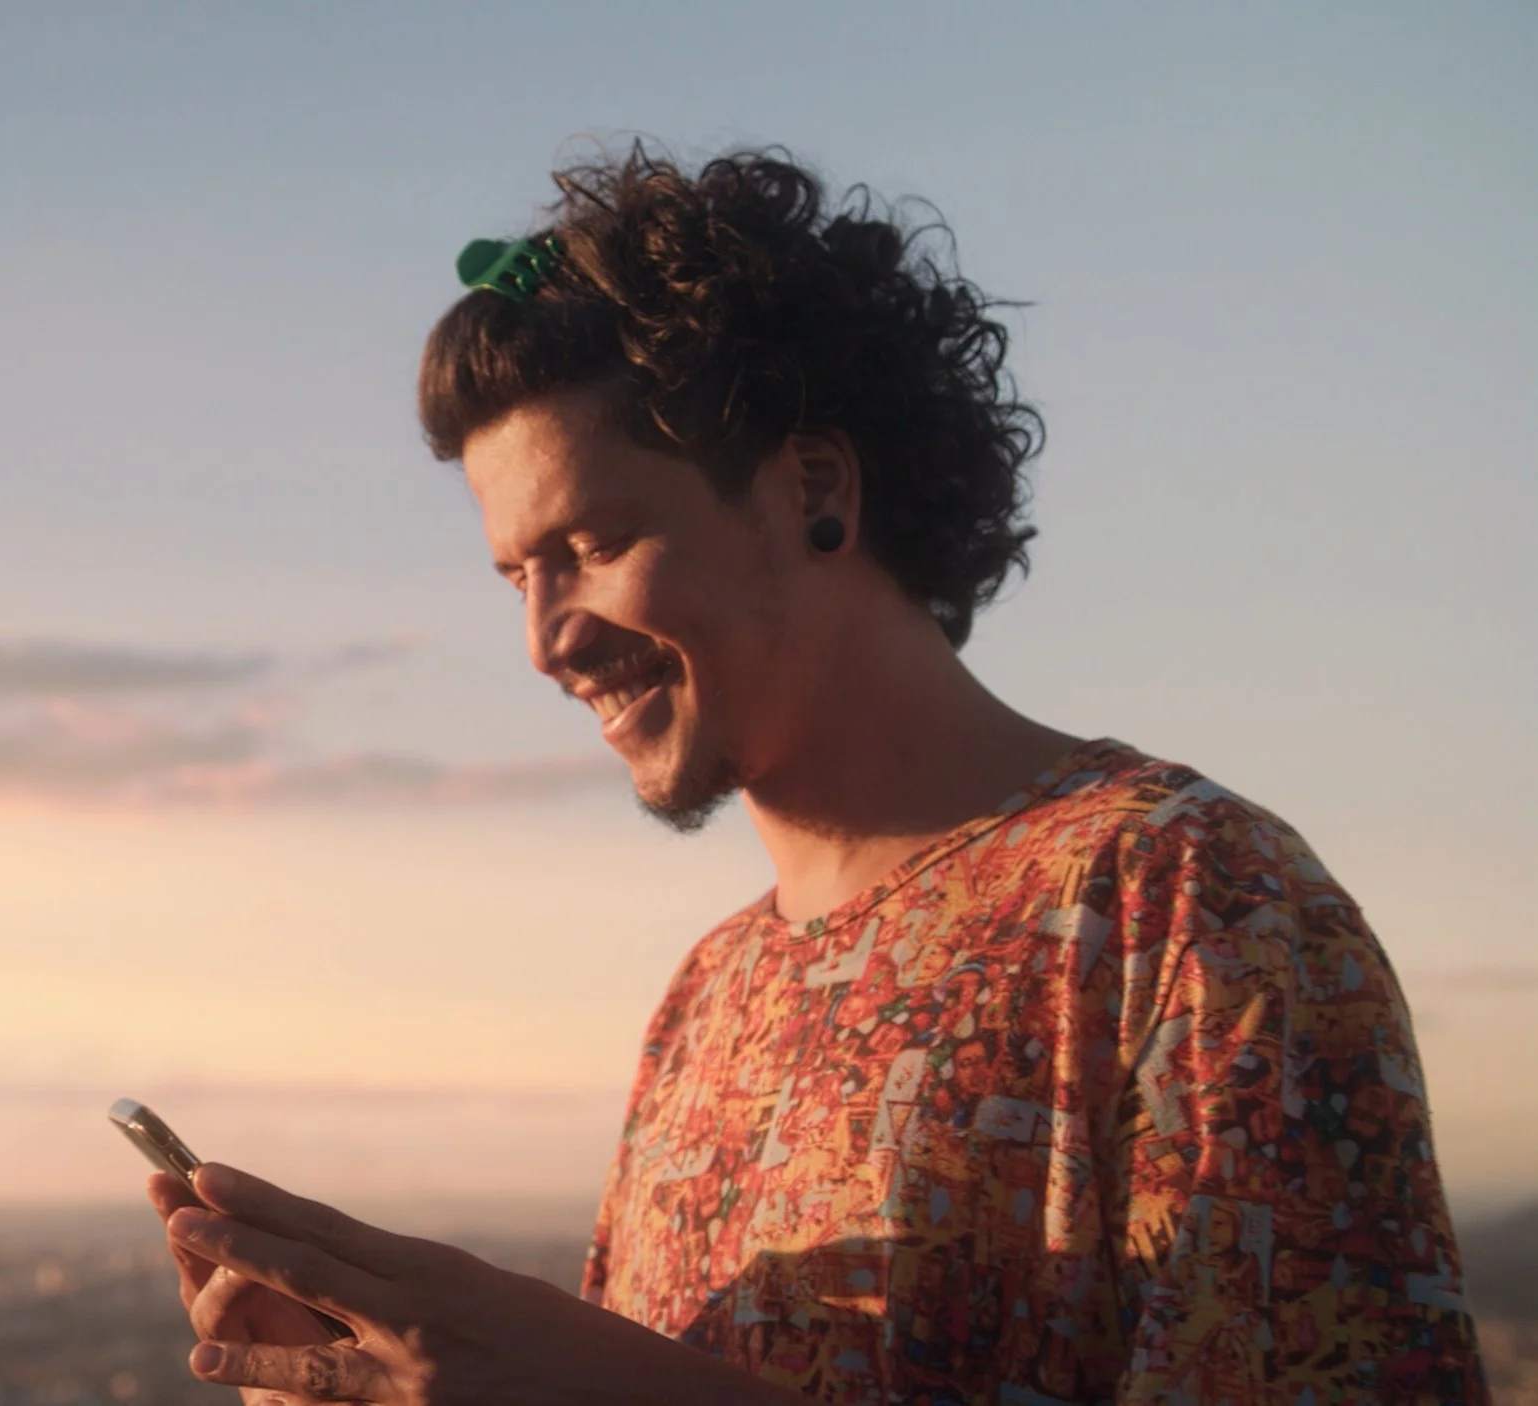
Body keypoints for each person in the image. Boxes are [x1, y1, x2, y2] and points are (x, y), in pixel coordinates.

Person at [145, 142, 1490, 1405]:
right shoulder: (709, 993)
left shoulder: (1189, 902)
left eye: (596, 542)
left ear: (813, 488)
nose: (548, 639)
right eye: (516, 574)